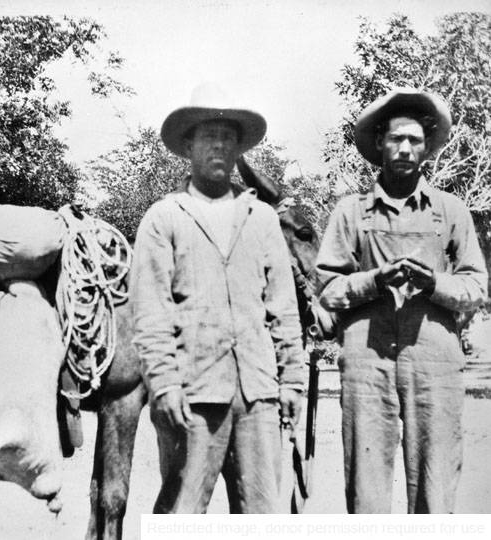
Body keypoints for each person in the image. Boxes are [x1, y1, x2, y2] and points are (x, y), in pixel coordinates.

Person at [130, 83, 306, 513]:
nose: (219, 146)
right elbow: (150, 313)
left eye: (229, 137)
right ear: (188, 144)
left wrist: (293, 380)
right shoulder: (164, 218)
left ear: (238, 149)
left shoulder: (262, 218)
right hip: (191, 394)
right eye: (209, 136)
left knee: (262, 515)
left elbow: (283, 309)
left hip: (258, 393)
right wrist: (164, 384)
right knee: (182, 514)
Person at [315, 88, 488, 513]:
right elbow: (328, 290)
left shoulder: (451, 211)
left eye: (414, 140)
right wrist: (374, 280)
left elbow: (477, 286)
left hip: (435, 363)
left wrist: (435, 285)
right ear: (379, 144)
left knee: (436, 483)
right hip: (366, 361)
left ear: (427, 147)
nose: (405, 148)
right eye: (396, 139)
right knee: (366, 488)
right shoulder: (350, 213)